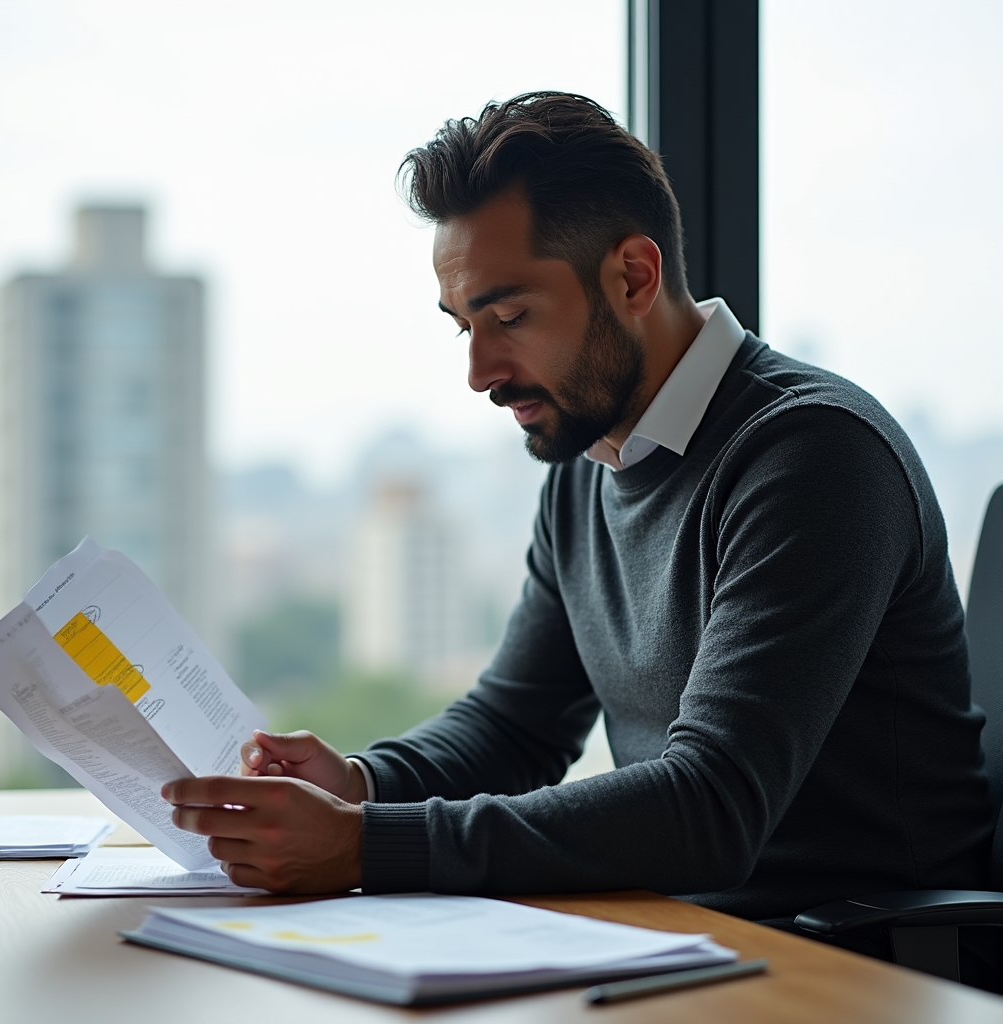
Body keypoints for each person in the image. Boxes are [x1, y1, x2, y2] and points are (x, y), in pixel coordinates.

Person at [163, 92, 992, 931]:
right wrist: (357, 784)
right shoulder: (589, 460)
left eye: (511, 316)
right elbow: (516, 727)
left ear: (634, 275)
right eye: (464, 328)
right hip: (683, 940)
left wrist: (364, 845)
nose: (481, 371)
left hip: (856, 963)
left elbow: (712, 806)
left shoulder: (812, 455)